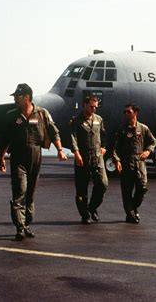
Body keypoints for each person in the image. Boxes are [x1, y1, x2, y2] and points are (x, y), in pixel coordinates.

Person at [0, 83, 67, 241]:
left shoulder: (42, 113)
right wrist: (2, 156)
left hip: (36, 156)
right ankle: (20, 227)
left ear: (27, 98)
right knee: (19, 193)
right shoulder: (12, 115)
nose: (15, 99)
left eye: (18, 97)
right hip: (18, 157)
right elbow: (6, 138)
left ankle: (26, 224)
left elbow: (53, 131)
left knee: (30, 195)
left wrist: (60, 150)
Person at [112, 104, 156, 224]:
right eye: (124, 112)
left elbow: (153, 141)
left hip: (139, 163)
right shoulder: (122, 129)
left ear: (135, 112)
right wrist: (117, 161)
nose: (126, 114)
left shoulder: (143, 128)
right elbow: (116, 148)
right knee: (126, 190)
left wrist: (148, 151)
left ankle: (133, 208)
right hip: (126, 162)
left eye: (128, 112)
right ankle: (131, 214)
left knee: (142, 188)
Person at [69, 95, 108, 224]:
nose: (93, 109)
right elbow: (73, 137)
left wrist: (104, 147)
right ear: (84, 105)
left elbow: (104, 134)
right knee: (81, 188)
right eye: (91, 107)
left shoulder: (99, 119)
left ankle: (92, 208)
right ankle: (84, 214)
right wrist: (76, 153)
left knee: (102, 184)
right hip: (83, 158)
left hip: (97, 157)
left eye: (95, 107)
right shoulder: (76, 121)